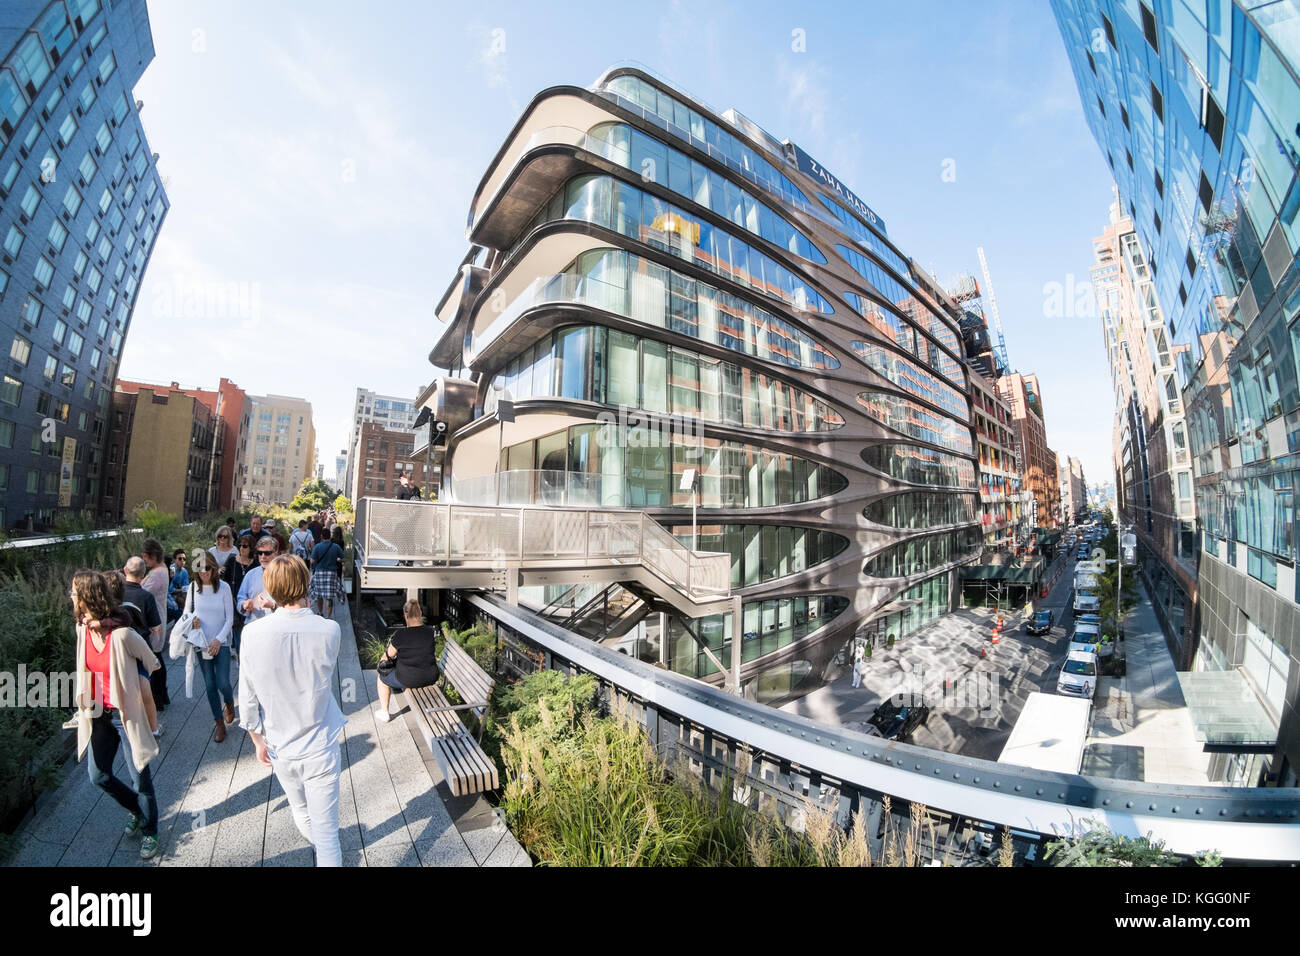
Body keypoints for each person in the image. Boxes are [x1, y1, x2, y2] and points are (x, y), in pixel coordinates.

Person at [239, 556, 345, 867]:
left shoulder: (252, 634)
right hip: (321, 743)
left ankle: (320, 848)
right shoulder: (330, 630)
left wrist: (257, 739)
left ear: (270, 588)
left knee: (300, 810)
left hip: (279, 744)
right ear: (306, 582)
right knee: (328, 836)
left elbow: (247, 695)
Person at [68, 569, 162, 860]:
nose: (71, 596)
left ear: (87, 596)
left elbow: (152, 661)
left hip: (126, 715)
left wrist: (137, 682)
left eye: (74, 592)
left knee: (140, 778)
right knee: (98, 776)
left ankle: (150, 831)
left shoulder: (123, 635)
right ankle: (138, 810)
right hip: (98, 715)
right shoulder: (83, 630)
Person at [180, 553, 236, 744]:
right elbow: (186, 613)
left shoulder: (224, 588)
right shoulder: (193, 588)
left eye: (207, 568)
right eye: (199, 569)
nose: (203, 572)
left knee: (223, 683)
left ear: (214, 568)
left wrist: (219, 640)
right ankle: (219, 723)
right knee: (210, 684)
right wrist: (191, 621)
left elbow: (230, 618)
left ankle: (229, 702)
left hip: (221, 641)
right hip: (201, 643)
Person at [99, 570, 162, 738]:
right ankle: (153, 728)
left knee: (143, 690)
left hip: (126, 658)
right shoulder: (125, 610)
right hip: (134, 656)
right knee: (144, 690)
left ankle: (152, 728)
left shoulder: (106, 615)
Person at [375, 600, 440, 722]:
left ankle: (384, 712)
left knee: (381, 677)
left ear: (405, 615)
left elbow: (387, 656)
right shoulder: (429, 632)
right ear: (420, 614)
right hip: (431, 677)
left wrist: (381, 661)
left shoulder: (401, 634)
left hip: (409, 679)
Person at [138, 542, 171, 712]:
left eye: (145, 557)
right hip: (158, 617)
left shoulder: (157, 574)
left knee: (154, 660)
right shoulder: (161, 569)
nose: (144, 560)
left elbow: (141, 592)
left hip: (154, 620)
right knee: (157, 658)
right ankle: (162, 695)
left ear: (153, 555)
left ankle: (157, 698)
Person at [224, 532, 257, 658]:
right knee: (238, 638)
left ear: (251, 548)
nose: (242, 548)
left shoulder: (256, 564)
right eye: (240, 546)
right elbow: (226, 581)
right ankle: (240, 660)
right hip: (235, 604)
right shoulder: (232, 561)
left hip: (252, 605)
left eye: (245, 546)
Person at [237, 537, 280, 625]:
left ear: (276, 554)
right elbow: (241, 598)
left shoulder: (285, 575)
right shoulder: (250, 574)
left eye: (267, 553)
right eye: (260, 553)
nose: (263, 556)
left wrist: (273, 606)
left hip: (276, 625)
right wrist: (244, 605)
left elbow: (293, 606)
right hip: (253, 624)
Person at [308, 527, 345, 619]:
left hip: (319, 573)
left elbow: (312, 561)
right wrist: (337, 559)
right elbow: (343, 558)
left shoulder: (317, 547)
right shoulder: (335, 547)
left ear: (321, 536)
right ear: (330, 536)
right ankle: (328, 617)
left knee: (319, 595)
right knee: (329, 597)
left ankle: (320, 613)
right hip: (331, 573)